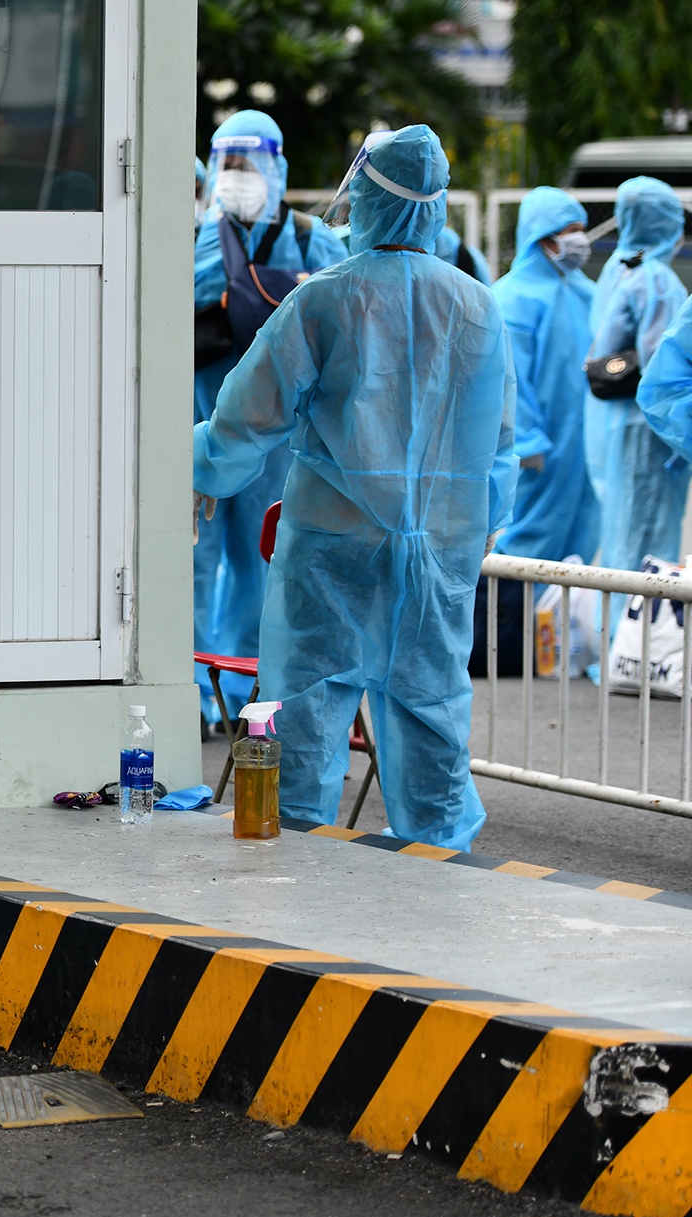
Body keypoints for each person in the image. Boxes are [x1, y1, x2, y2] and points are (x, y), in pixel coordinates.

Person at [193, 125, 515, 851]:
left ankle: (295, 857)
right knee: (430, 710)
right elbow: (499, 446)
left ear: (364, 197)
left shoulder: (325, 300)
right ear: (432, 208)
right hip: (436, 552)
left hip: (331, 551)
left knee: (302, 711)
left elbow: (244, 422)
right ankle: (440, 862)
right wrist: (469, 534)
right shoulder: (476, 306)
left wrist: (191, 467)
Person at [192, 111, 349, 721]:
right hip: (202, 432)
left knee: (265, 577)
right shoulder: (195, 239)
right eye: (226, 164)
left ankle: (250, 701)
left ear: (276, 166)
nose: (236, 177)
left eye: (248, 164)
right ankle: (195, 697)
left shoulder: (314, 241)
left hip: (280, 447)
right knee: (192, 575)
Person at [588, 178, 687, 584]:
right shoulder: (657, 280)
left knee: (620, 543)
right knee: (646, 555)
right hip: (646, 431)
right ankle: (633, 646)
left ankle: (614, 639)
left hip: (610, 428)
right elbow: (663, 372)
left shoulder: (616, 268)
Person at [492, 187, 596, 563]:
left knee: (581, 547)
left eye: (581, 228)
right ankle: (514, 620)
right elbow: (505, 379)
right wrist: (526, 440)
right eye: (569, 229)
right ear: (541, 234)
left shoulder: (588, 294)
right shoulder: (511, 297)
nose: (579, 240)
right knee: (528, 544)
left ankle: (562, 623)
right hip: (538, 452)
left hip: (582, 448)